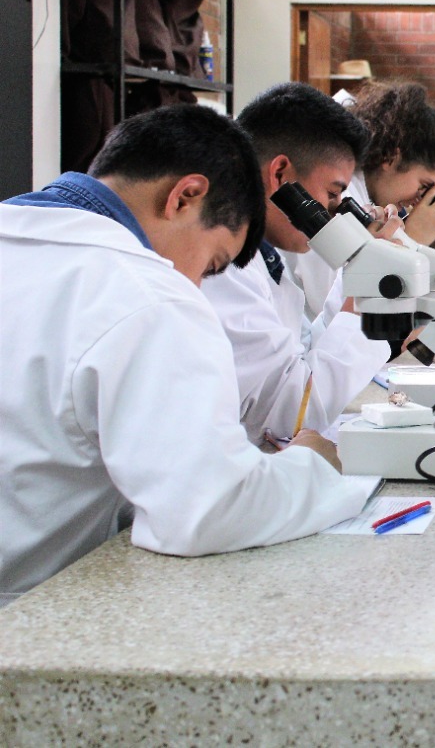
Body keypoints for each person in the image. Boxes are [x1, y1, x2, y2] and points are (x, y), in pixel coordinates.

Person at [0, 105, 372, 606]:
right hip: (29, 616)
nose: (198, 286)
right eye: (213, 264)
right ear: (185, 196)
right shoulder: (150, 297)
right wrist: (313, 464)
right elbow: (207, 511)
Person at [201, 83, 390, 446]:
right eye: (332, 194)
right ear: (281, 175)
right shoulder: (224, 271)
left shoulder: (263, 258)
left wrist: (357, 280)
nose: (334, 212)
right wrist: (367, 305)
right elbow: (291, 416)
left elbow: (302, 357)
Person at [288, 82, 435, 320]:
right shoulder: (339, 196)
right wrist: (413, 239)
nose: (419, 200)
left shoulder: (365, 198)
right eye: (423, 186)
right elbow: (330, 303)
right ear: (391, 157)